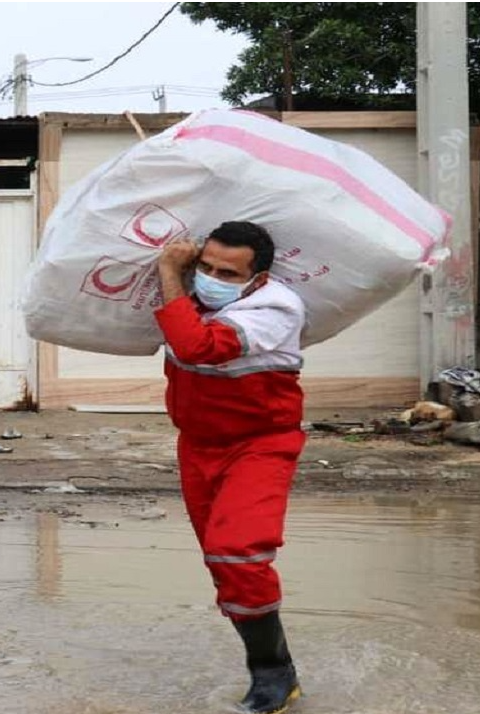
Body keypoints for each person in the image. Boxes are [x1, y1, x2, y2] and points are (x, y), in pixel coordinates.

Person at [153, 221, 305, 714]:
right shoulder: (192, 301)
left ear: (257, 277)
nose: (212, 277)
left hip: (260, 445)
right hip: (197, 446)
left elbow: (199, 348)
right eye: (206, 266)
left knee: (237, 551)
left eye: (227, 272)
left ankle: (273, 677)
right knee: (223, 567)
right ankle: (274, 669)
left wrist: (168, 271)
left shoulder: (274, 307)